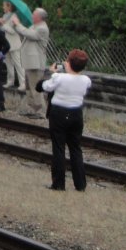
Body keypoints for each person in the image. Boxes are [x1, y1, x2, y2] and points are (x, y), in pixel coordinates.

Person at [40, 49, 92, 191]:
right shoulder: (86, 80)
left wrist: (51, 73)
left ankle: (58, 183)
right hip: (76, 115)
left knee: (58, 148)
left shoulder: (59, 78)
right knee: (75, 148)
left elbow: (43, 86)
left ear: (68, 63)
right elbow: (79, 81)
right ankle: (80, 184)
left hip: (59, 114)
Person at [14, 8, 50, 118]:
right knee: (29, 88)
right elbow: (24, 32)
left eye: (34, 15)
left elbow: (29, 34)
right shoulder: (34, 26)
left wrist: (18, 24)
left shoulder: (42, 28)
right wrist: (17, 26)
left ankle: (41, 111)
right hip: (30, 62)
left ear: (39, 17)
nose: (32, 16)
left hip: (36, 63)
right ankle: (32, 108)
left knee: (36, 88)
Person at [1, 1, 26, 90]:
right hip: (6, 44)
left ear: (9, 7)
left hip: (14, 44)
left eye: (4, 6)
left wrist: (3, 24)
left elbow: (13, 31)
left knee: (18, 64)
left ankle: (23, 83)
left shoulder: (14, 17)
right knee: (8, 64)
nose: (2, 7)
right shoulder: (4, 16)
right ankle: (10, 81)